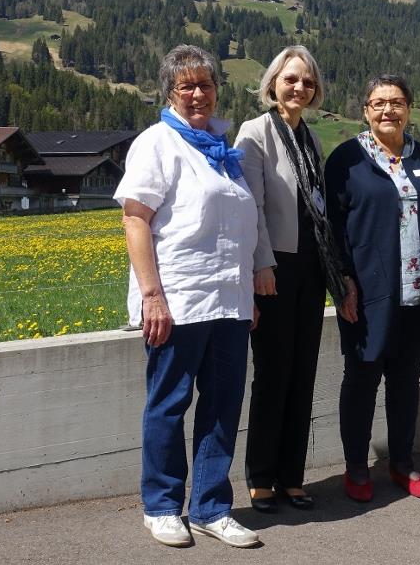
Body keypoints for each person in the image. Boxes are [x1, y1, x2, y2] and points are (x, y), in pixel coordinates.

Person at [114, 44, 260, 549]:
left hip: (229, 301)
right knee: (169, 404)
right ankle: (161, 506)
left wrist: (247, 293)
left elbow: (236, 229)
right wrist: (151, 296)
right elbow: (135, 219)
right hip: (179, 300)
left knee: (222, 407)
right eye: (187, 86)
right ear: (170, 93)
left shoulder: (222, 150)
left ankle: (211, 508)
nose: (198, 94)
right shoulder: (156, 143)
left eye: (206, 84)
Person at [235, 45, 353, 513]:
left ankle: (292, 477)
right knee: (273, 373)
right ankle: (261, 477)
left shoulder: (311, 138)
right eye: (291, 79)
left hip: (310, 267)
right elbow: (252, 205)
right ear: (273, 84)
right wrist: (261, 264)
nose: (299, 87)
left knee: (303, 372)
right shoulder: (255, 133)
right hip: (275, 267)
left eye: (307, 81)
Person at [324, 74, 420, 503]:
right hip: (366, 294)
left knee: (405, 383)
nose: (388, 110)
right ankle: (357, 466)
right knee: (361, 380)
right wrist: (342, 283)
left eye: (396, 103)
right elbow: (332, 227)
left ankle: (402, 462)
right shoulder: (347, 159)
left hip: (416, 293)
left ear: (409, 109)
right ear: (366, 111)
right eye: (379, 103)